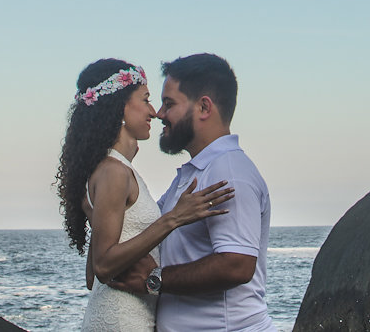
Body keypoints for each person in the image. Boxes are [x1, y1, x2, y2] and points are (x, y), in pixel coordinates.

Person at [55, 58, 235, 331]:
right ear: (121, 108)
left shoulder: (113, 169)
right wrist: (173, 219)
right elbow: (103, 268)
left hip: (122, 316)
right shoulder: (114, 172)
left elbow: (91, 277)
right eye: (146, 99)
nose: (154, 112)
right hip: (122, 320)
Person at [112, 53, 275, 332]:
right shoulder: (195, 172)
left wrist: (154, 279)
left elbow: (237, 264)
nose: (159, 114)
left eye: (169, 103)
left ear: (203, 107)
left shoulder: (229, 170)